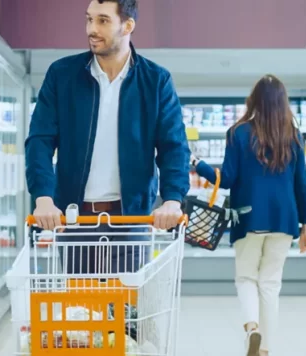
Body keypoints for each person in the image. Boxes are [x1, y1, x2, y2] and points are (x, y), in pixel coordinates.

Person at [25, 0, 190, 274]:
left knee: (126, 312)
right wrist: (43, 197)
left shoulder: (156, 81)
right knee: (80, 311)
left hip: (132, 219)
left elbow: (174, 147)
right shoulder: (62, 75)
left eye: (102, 20)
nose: (91, 28)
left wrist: (172, 199)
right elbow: (40, 140)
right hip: (75, 219)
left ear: (128, 26)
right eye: (89, 19)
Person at [191, 74, 306, 356]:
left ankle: (251, 329)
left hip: (248, 216)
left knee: (246, 278)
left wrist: (199, 166)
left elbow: (228, 179)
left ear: (254, 100)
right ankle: (266, 354)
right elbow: (301, 185)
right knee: (270, 285)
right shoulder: (293, 136)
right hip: (284, 219)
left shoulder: (239, 133)